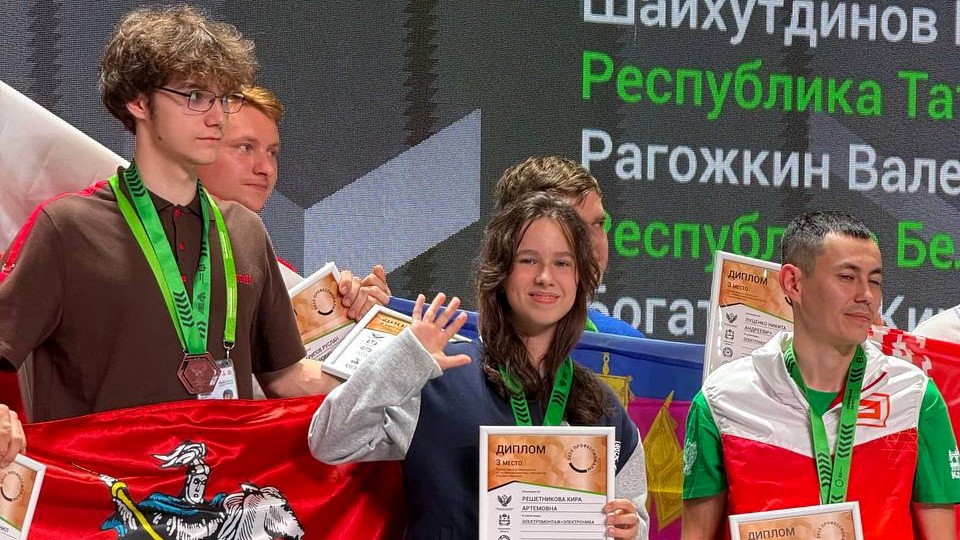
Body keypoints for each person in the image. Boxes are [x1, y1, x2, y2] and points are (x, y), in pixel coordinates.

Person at [0, 6, 410, 465]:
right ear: (139, 102)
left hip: (220, 486)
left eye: (224, 99)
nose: (217, 117)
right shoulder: (68, 227)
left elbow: (286, 376)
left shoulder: (244, 230)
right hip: (106, 490)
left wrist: (398, 366)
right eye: (195, 97)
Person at [308, 192, 649, 539]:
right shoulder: (437, 377)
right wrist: (404, 357)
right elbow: (329, 441)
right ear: (500, 274)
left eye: (562, 263)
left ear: (580, 279)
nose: (545, 276)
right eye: (528, 260)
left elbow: (635, 517)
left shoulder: (603, 409)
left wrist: (630, 530)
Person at [681, 211, 960, 539]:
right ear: (793, 283)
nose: (866, 295)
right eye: (847, 277)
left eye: (874, 281)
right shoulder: (722, 400)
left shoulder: (914, 397)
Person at [195, 84, 390, 305]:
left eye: (272, 153)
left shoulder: (282, 277)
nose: (266, 168)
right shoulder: (167, 255)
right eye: (245, 147)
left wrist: (358, 315)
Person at [495, 156, 644, 337]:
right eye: (573, 226)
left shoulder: (627, 343)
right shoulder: (466, 342)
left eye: (598, 224)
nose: (592, 243)